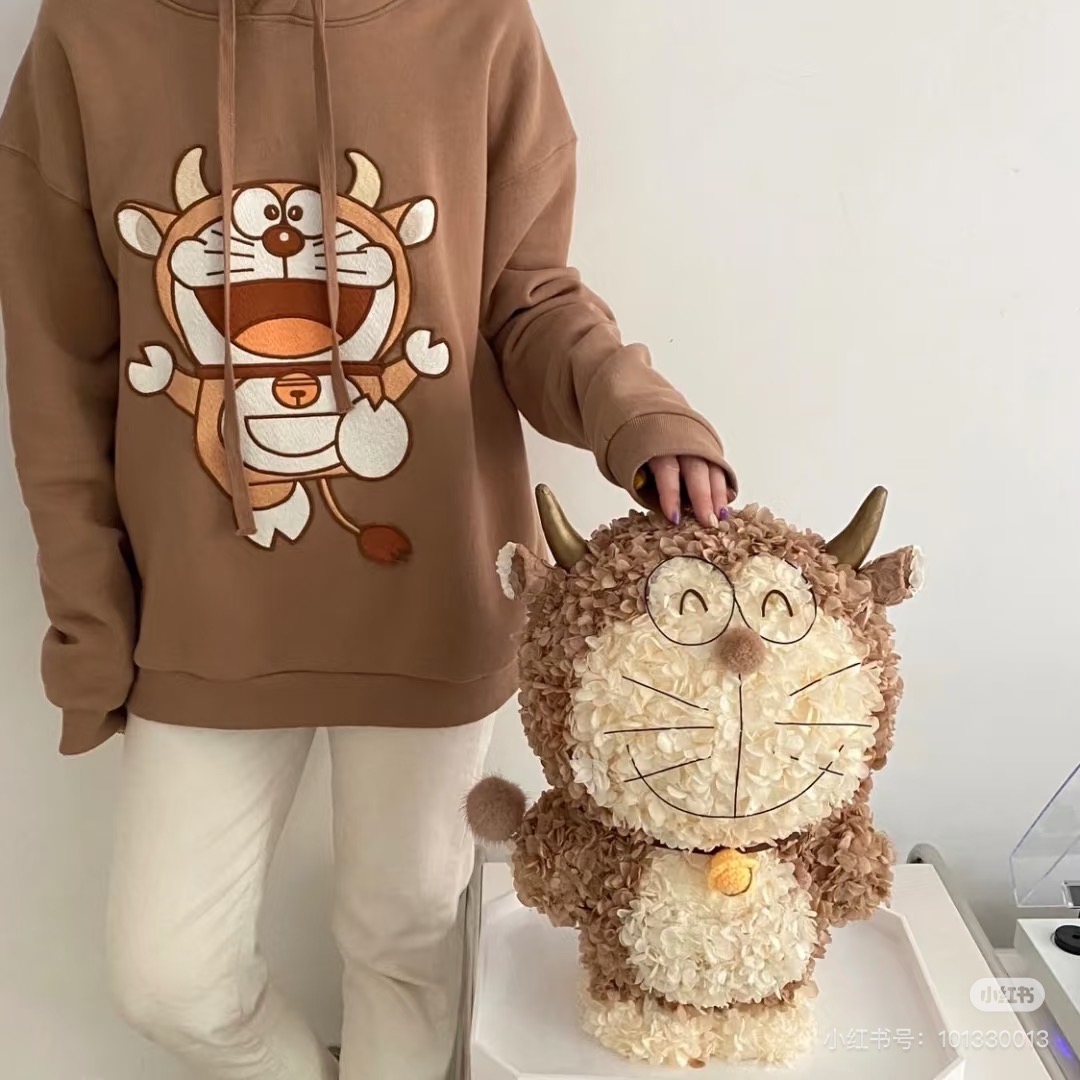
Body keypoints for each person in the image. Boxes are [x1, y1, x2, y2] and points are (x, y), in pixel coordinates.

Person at [0, 0, 736, 1077]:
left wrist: (640, 414)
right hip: (203, 611)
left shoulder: (476, 25)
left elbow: (526, 299)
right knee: (168, 978)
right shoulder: (93, 33)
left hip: (433, 595)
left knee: (404, 944)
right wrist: (89, 620)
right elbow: (56, 371)